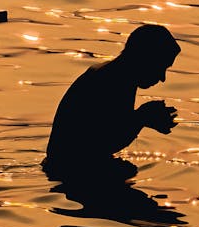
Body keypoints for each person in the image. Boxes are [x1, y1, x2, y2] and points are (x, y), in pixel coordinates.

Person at [42, 24, 181, 183]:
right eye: (161, 67)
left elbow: (109, 132)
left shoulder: (118, 74)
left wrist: (144, 119)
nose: (162, 78)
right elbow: (102, 143)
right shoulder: (112, 81)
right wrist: (142, 118)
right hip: (70, 168)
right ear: (145, 58)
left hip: (67, 165)